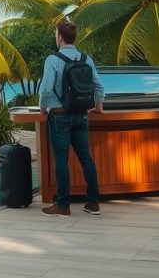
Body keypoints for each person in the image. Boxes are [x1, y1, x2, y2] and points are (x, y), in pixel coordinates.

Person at [39, 20, 104, 217]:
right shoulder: (86, 58)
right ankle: (93, 203)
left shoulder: (53, 59)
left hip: (59, 117)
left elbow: (46, 89)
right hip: (81, 115)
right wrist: (98, 107)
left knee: (61, 158)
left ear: (59, 37)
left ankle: (63, 205)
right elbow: (98, 86)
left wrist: (43, 108)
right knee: (86, 158)